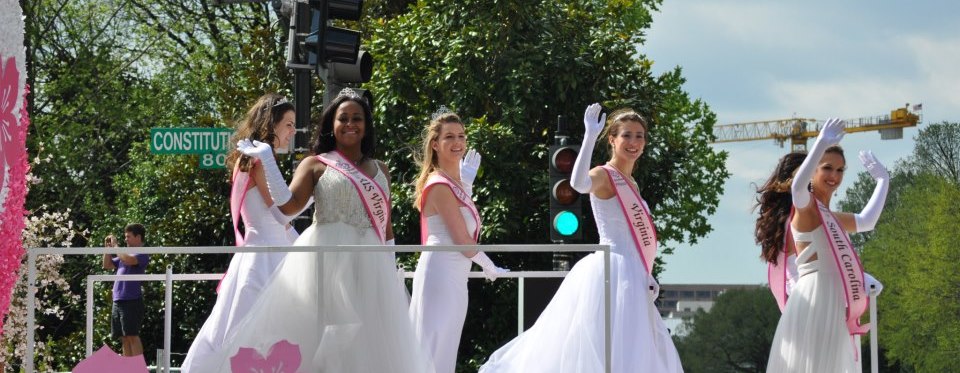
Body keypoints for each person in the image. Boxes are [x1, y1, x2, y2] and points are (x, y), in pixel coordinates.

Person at [193, 88, 431, 372]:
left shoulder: (381, 168)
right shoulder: (316, 164)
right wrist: (268, 160)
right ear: (332, 123)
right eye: (343, 118)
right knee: (319, 332)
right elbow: (287, 208)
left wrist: (388, 269)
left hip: (370, 262)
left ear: (367, 125)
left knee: (369, 338)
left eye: (357, 118)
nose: (350, 124)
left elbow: (387, 227)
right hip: (326, 259)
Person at [480, 103, 682, 372]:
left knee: (633, 346)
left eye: (639, 136)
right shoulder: (604, 175)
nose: (634, 142)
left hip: (634, 273)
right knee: (606, 344)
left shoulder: (631, 183)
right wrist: (588, 137)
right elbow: (579, 184)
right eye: (627, 135)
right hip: (613, 270)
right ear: (612, 139)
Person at [181, 93, 303, 372]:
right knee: (251, 332)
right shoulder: (261, 160)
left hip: (256, 254)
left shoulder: (247, 159)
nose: (293, 131)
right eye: (288, 124)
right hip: (266, 260)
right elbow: (282, 212)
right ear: (272, 125)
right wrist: (311, 195)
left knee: (233, 327)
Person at [760, 119, 890, 372]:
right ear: (812, 172)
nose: (834, 176)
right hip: (815, 297)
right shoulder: (805, 209)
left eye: (840, 170)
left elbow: (867, 221)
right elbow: (798, 187)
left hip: (833, 297)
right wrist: (820, 143)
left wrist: (883, 182)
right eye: (827, 168)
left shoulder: (829, 216)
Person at [409, 108, 508, 373]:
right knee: (431, 352)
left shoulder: (455, 183)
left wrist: (467, 186)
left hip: (455, 277)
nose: (457, 143)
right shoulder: (439, 184)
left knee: (445, 352)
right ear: (435, 144)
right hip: (440, 274)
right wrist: (489, 265)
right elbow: (462, 239)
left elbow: (464, 224)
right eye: (449, 137)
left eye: (462, 136)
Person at [102, 223, 150, 357]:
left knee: (132, 336)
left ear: (138, 237)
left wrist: (116, 247)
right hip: (118, 300)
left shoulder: (142, 253)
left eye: (128, 237)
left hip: (132, 300)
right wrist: (108, 249)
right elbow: (107, 265)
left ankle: (137, 369)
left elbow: (128, 260)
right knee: (123, 337)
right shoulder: (124, 254)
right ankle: (128, 369)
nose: (126, 240)